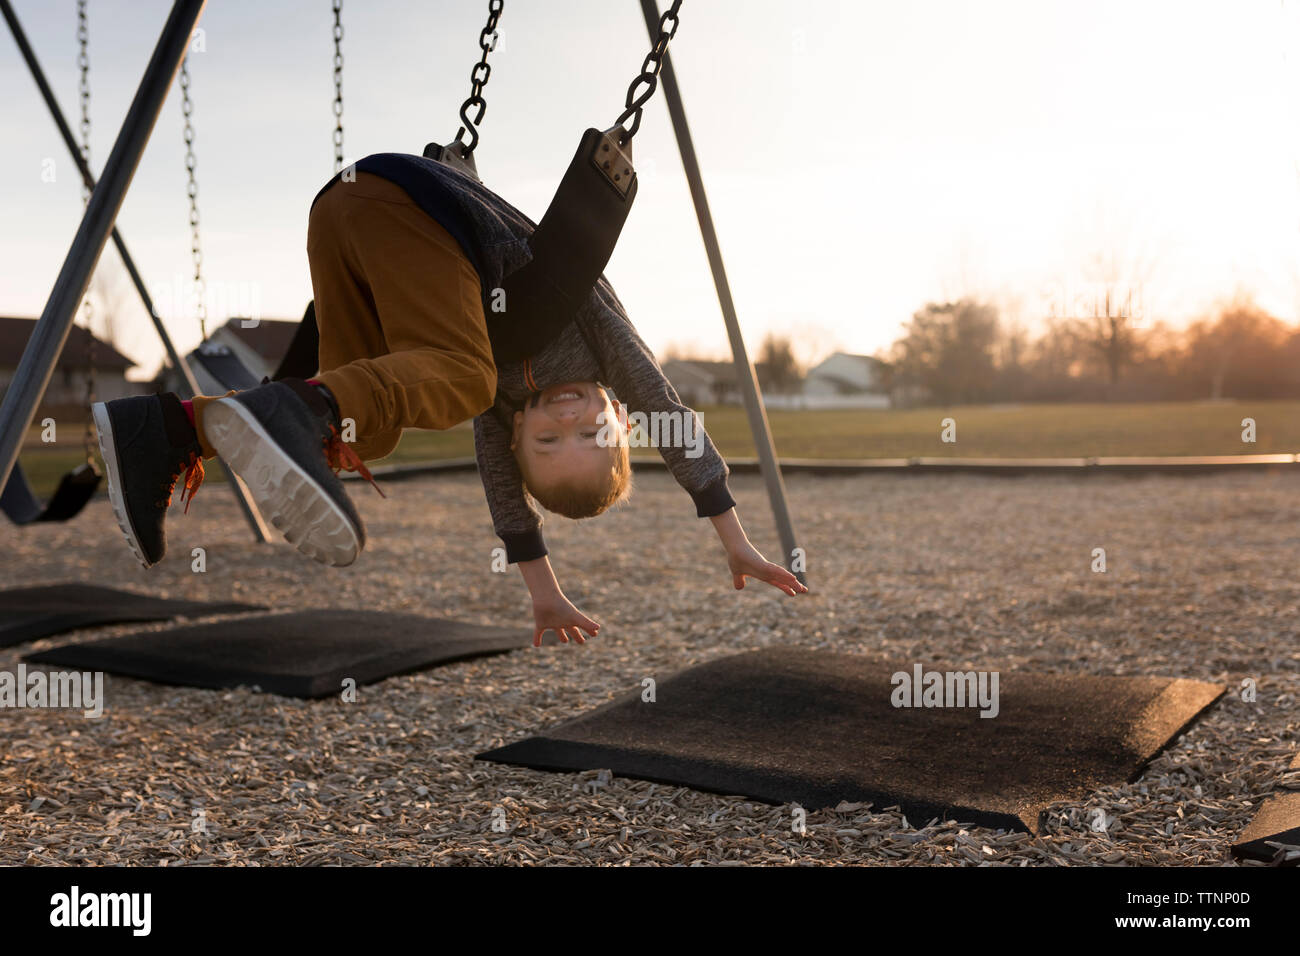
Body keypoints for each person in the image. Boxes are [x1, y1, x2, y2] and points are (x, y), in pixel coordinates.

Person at [93, 154, 805, 644]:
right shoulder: (607, 347)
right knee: (459, 378)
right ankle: (290, 410)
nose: (566, 424)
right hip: (417, 211)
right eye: (592, 436)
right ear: (622, 419)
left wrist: (544, 590)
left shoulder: (503, 419)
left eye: (548, 444)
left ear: (519, 436)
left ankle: (162, 430)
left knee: (364, 434)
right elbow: (669, 412)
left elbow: (504, 497)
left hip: (346, 221)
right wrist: (731, 536)